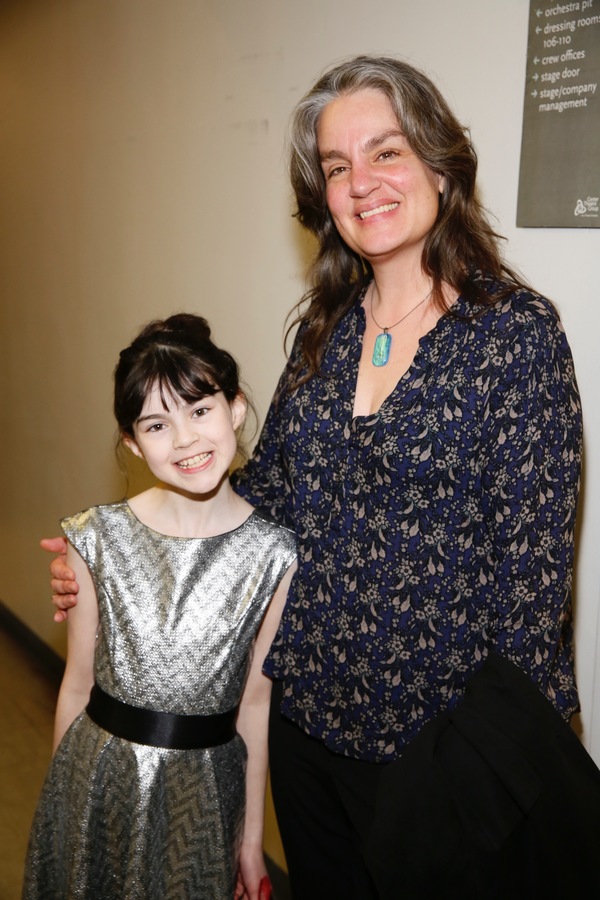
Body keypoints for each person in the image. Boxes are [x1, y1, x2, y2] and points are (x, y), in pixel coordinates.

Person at [45, 57, 583, 898]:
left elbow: (534, 589)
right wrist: (122, 548)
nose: (361, 182)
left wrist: (479, 774)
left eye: (387, 153)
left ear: (440, 165)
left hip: (440, 756)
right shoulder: (324, 334)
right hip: (304, 739)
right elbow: (267, 500)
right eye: (337, 167)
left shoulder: (513, 338)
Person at [26, 313, 296, 900]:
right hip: (98, 780)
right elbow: (75, 685)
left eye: (200, 410)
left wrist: (250, 844)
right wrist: (63, 802)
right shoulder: (95, 536)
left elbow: (254, 704)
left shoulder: (275, 555)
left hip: (205, 796)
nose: (185, 439)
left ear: (236, 408)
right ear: (130, 441)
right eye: (156, 423)